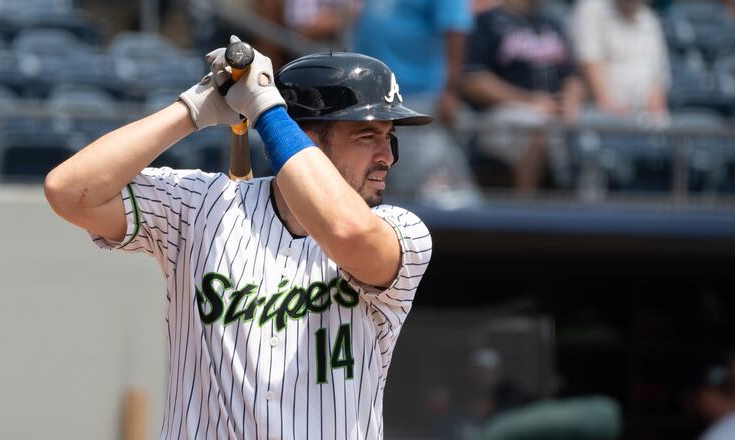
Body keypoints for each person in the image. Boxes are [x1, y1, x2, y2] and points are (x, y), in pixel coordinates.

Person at [44, 36, 432, 438]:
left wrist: (266, 111)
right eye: (367, 136)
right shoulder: (198, 205)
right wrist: (194, 107)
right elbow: (69, 191)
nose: (387, 156)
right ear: (309, 139)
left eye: (389, 137)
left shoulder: (403, 231)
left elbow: (347, 233)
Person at [352, 0, 480, 204]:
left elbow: (456, 28)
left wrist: (449, 92)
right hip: (370, 97)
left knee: (428, 192)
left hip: (418, 98)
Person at [460, 0, 583, 193]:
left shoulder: (550, 23)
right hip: (497, 116)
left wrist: (570, 100)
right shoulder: (486, 22)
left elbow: (572, 76)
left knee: (590, 130)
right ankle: (526, 209)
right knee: (538, 127)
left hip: (551, 110)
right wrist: (529, 102)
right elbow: (473, 81)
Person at [569, 0, 671, 127]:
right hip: (602, 117)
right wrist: (613, 109)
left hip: (643, 117)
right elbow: (589, 63)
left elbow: (659, 79)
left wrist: (653, 112)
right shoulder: (591, 8)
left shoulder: (650, 19)